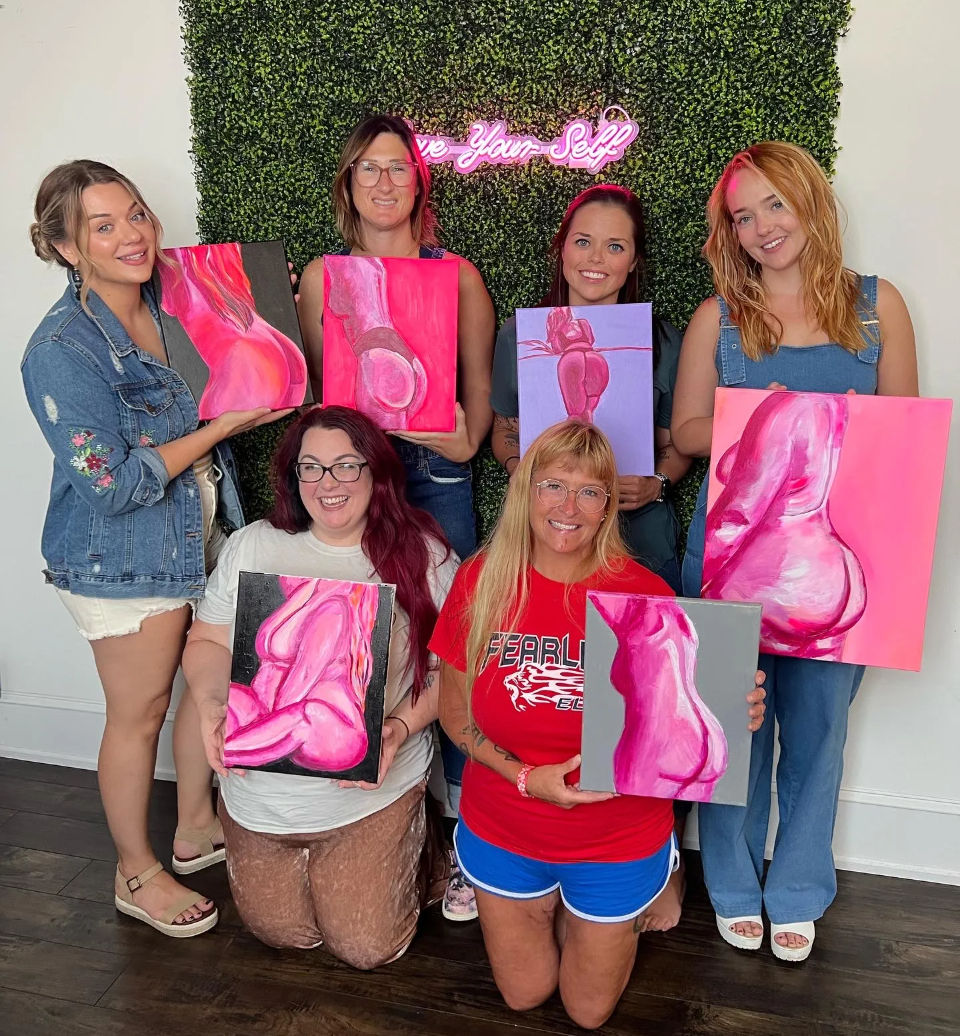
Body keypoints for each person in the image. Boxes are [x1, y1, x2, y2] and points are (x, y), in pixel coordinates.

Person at [21, 160, 288, 937]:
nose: (133, 235)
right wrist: (219, 432)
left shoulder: (175, 293)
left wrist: (277, 302)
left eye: (135, 214)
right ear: (69, 248)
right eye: (104, 226)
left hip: (199, 526)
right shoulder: (62, 349)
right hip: (122, 553)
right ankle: (134, 872)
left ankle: (195, 823)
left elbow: (242, 339)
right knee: (137, 713)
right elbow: (109, 483)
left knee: (205, 672)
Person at [430, 420, 766, 1028]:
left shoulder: (646, 596)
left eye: (590, 491)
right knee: (524, 996)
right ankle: (561, 898)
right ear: (525, 490)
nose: (568, 507)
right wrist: (529, 778)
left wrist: (728, 711)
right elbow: (455, 717)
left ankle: (663, 870)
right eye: (553, 485)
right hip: (505, 823)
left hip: (617, 838)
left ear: (609, 505)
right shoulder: (480, 582)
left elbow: (683, 726)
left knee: (588, 1014)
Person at [671, 141, 918, 962]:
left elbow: (904, 437)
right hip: (730, 550)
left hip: (836, 557)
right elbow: (688, 432)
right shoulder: (721, 318)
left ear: (811, 200)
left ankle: (801, 884)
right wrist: (761, 414)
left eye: (773, 205)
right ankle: (734, 884)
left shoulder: (881, 307)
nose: (761, 228)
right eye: (742, 216)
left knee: (818, 730)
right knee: (730, 724)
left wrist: (831, 420)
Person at [298, 115, 496, 912]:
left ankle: (468, 846)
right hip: (355, 484)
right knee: (363, 647)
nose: (384, 181)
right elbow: (318, 403)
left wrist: (441, 433)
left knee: (459, 655)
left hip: (438, 481)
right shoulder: (323, 278)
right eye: (367, 169)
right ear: (349, 186)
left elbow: (474, 422)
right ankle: (377, 829)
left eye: (398, 168)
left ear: (420, 182)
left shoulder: (460, 279)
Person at [183, 406, 459, 968]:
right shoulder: (256, 545)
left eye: (345, 466)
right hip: (261, 794)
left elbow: (457, 671)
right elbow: (207, 642)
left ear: (377, 473)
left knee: (366, 948)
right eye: (311, 468)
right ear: (294, 477)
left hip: (369, 792)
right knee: (285, 933)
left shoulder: (424, 554)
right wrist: (213, 703)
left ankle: (423, 843)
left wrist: (400, 727)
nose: (327, 484)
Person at [490, 184, 691, 595]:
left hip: (639, 537)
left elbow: (675, 444)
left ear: (634, 261)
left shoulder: (665, 343)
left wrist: (658, 483)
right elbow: (504, 428)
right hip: (548, 532)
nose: (596, 258)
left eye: (615, 247)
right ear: (561, 248)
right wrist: (523, 474)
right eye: (583, 242)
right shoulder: (520, 336)